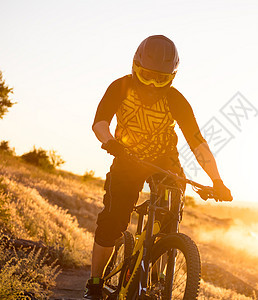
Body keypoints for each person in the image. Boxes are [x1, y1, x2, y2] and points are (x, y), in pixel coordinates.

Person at [84, 35, 233, 299]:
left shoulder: (176, 100)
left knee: (169, 220)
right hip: (127, 158)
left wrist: (217, 181)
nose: (152, 84)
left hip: (165, 161)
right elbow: (100, 122)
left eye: (161, 79)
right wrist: (110, 142)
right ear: (135, 66)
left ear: (172, 77)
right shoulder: (119, 88)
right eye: (146, 75)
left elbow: (198, 144)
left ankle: (156, 277)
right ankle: (94, 283)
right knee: (113, 223)